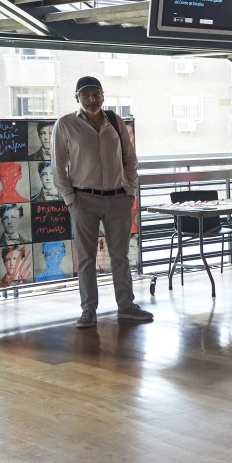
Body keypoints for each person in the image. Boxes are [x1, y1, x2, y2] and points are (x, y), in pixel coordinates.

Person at [52, 75, 153, 329]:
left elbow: (130, 158)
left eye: (96, 94)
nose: (92, 99)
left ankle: (126, 307)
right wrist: (70, 199)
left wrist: (130, 189)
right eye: (86, 95)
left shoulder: (115, 121)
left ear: (103, 96)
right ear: (77, 98)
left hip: (118, 198)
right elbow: (58, 166)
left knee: (121, 256)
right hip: (83, 199)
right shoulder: (64, 125)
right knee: (86, 258)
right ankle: (88, 311)